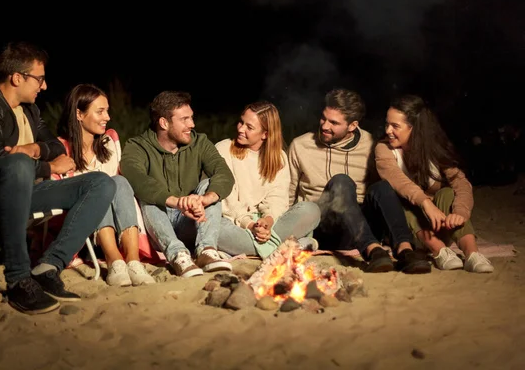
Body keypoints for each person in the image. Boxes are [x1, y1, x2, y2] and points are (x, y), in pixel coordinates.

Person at [0, 41, 116, 314]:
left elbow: (53, 144)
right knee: (16, 163)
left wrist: (35, 148)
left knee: (101, 183)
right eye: (39, 79)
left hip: (24, 193)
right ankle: (18, 278)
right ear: (17, 77)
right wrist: (47, 168)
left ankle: (48, 266)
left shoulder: (30, 110)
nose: (44, 86)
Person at [288, 88, 431, 274]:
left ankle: (405, 251)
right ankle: (373, 252)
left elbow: (385, 192)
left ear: (352, 125)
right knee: (341, 182)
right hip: (324, 226)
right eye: (324, 118)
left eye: (334, 122)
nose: (324, 126)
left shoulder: (371, 144)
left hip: (363, 224)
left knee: (382, 186)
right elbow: (289, 192)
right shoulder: (301, 145)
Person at [121, 91, 235, 277]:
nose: (192, 124)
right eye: (184, 119)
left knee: (208, 184)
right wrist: (177, 202)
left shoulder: (200, 142)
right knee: (148, 196)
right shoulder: (137, 147)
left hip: (191, 220)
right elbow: (136, 178)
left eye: (191, 118)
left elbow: (223, 173)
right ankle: (178, 255)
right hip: (157, 224)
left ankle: (206, 250)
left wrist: (204, 200)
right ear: (164, 123)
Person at [375, 94, 494, 273]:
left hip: (439, 224)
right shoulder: (384, 149)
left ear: (414, 128)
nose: (388, 131)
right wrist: (426, 203)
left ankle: (472, 254)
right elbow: (398, 181)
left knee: (447, 193)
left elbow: (461, 184)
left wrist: (460, 212)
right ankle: (440, 252)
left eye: (395, 126)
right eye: (387, 124)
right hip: (409, 229)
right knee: (398, 201)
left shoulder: (434, 149)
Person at [55, 83, 155, 286]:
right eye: (100, 111)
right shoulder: (61, 149)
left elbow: (121, 189)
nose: (107, 117)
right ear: (79, 114)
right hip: (86, 231)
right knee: (98, 186)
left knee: (119, 181)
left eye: (107, 110)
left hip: (119, 225)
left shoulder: (109, 142)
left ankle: (133, 261)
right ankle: (114, 261)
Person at [215, 101, 321, 258]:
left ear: (265, 134)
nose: (240, 129)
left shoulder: (279, 158)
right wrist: (250, 225)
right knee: (213, 228)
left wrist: (267, 222)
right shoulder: (224, 149)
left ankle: (258, 248)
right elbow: (228, 203)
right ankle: (292, 245)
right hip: (236, 223)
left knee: (311, 210)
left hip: (269, 225)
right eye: (241, 122)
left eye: (249, 127)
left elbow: (277, 198)